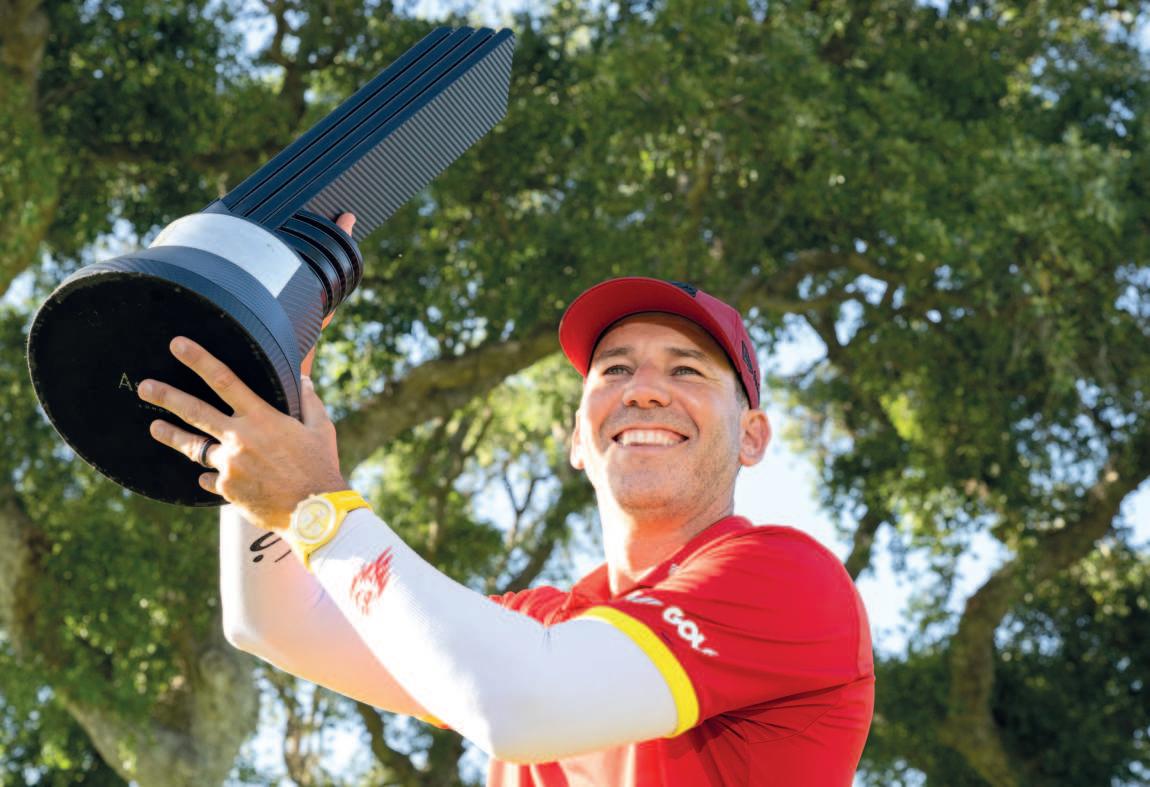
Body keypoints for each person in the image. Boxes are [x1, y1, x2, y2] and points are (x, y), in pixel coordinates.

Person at [137, 226, 875, 785]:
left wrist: (314, 503)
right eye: (615, 369)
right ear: (578, 439)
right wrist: (267, 387)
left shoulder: (790, 581)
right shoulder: (538, 626)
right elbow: (278, 624)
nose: (645, 390)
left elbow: (522, 704)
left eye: (687, 370)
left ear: (752, 437)